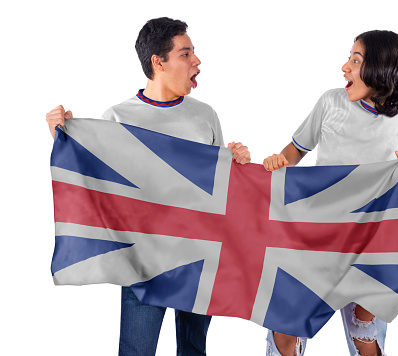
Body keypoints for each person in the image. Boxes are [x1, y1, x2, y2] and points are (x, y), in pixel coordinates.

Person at [46, 17, 250, 356]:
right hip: (143, 261)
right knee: (136, 351)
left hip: (200, 258)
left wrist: (237, 166)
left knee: (193, 350)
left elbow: (220, 192)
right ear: (158, 62)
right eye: (185, 54)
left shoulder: (205, 115)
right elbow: (98, 188)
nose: (196, 62)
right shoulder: (118, 118)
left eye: (194, 53)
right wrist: (63, 140)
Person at [263, 30, 398, 356]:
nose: (344, 67)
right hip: (315, 236)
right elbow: (296, 151)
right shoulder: (331, 102)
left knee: (363, 335)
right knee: (284, 331)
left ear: (381, 69)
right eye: (349, 58)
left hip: (371, 245)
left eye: (355, 61)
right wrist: (279, 162)